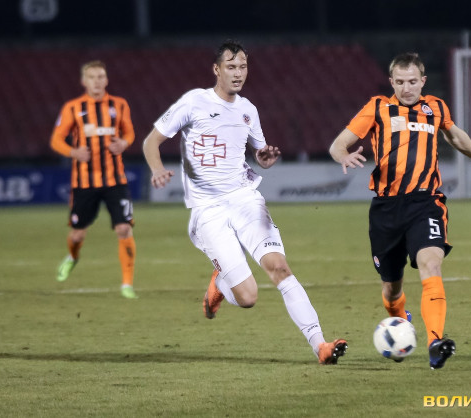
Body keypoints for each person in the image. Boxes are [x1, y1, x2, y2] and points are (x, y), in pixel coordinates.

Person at [142, 40, 347, 365]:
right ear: (216, 69)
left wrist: (265, 158)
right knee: (249, 296)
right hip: (208, 211)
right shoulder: (194, 102)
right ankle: (220, 285)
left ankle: (320, 344)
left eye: (243, 67)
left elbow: (259, 154)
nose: (238, 73)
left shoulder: (248, 110)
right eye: (231, 67)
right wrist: (156, 169)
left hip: (245, 199)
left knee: (279, 267)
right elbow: (151, 141)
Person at [329, 52, 471, 370]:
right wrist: (343, 156)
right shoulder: (378, 108)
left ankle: (436, 342)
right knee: (391, 289)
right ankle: (400, 320)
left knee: (430, 264)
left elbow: (454, 135)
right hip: (386, 209)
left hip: (425, 203)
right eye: (400, 82)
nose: (406, 88)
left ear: (423, 81)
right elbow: (338, 144)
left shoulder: (435, 107)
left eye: (412, 82)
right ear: (391, 82)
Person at [50, 60, 138, 299]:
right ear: (84, 81)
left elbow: (129, 132)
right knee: (77, 234)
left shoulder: (119, 105)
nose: (97, 81)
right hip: (84, 183)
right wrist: (73, 152)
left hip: (115, 180)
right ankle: (73, 256)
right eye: (92, 77)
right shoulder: (73, 108)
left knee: (124, 228)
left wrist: (124, 143)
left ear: (106, 80)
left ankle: (127, 284)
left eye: (100, 77)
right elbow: (57, 139)